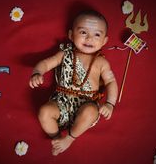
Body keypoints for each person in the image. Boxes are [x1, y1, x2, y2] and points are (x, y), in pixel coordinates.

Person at [29, 10, 118, 156]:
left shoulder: (102, 62)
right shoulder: (64, 54)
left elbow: (111, 82)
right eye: (83, 32)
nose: (89, 38)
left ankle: (69, 139)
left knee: (91, 112)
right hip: (61, 102)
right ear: (71, 35)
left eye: (97, 34)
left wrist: (110, 103)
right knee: (44, 112)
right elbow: (45, 63)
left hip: (86, 103)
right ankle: (57, 138)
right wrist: (37, 73)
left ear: (104, 41)